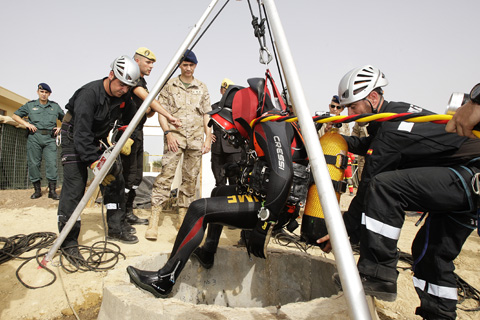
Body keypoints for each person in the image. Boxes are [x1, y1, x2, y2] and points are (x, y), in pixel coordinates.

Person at [318, 65, 480, 320]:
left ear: (372, 99)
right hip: (460, 178)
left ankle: (377, 273)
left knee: (383, 187)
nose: (350, 113)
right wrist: (336, 140)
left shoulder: (392, 130)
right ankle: (439, 315)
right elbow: (369, 144)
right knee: (430, 253)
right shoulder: (393, 116)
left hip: (468, 175)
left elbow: (367, 187)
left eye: (353, 107)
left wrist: (342, 230)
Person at [126, 75, 310, 298]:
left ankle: (165, 279)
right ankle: (208, 252)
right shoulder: (266, 125)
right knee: (218, 192)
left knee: (198, 208)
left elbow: (283, 174)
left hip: (271, 207)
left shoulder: (270, 125)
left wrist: (264, 226)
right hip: (266, 197)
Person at [57, 56, 142, 265]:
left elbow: (134, 118)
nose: (124, 90)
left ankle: (115, 228)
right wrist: (95, 165)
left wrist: (127, 137)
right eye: (121, 84)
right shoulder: (89, 94)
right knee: (75, 189)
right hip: (74, 138)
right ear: (111, 74)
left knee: (115, 181)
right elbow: (81, 134)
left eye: (128, 86)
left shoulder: (124, 96)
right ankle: (68, 243)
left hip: (95, 140)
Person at [146, 50, 212, 240]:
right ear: (180, 66)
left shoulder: (202, 87)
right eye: (185, 65)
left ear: (195, 66)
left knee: (190, 179)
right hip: (175, 138)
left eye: (191, 65)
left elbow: (207, 115)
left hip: (195, 139)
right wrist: (167, 134)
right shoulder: (169, 86)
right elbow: (161, 112)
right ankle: (154, 220)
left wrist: (208, 138)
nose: (188, 68)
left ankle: (183, 219)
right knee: (166, 176)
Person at [119, 47, 182, 228]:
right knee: (127, 176)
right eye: (148, 62)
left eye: (153, 63)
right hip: (126, 134)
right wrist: (168, 115)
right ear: (136, 61)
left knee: (136, 176)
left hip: (138, 133)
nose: (151, 66)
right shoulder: (131, 79)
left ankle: (128, 212)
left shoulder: (142, 83)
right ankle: (120, 216)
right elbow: (147, 100)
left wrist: (153, 107)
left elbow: (146, 112)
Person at [12, 83, 64, 200]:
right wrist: (26, 124)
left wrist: (61, 128)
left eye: (46, 93)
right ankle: (37, 190)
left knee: (51, 164)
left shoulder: (54, 107)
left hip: (50, 138)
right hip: (34, 137)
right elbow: (15, 116)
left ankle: (52, 191)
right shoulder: (30, 106)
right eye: (42, 92)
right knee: (34, 163)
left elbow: (66, 119)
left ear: (49, 94)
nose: (44, 94)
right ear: (38, 92)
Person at [210, 78, 243, 187]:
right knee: (219, 180)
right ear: (221, 91)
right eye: (225, 89)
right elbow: (204, 123)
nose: (226, 92)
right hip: (217, 149)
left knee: (236, 181)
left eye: (230, 90)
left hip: (234, 149)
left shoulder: (239, 109)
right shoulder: (214, 108)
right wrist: (208, 134)